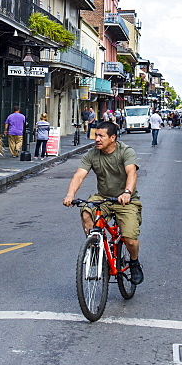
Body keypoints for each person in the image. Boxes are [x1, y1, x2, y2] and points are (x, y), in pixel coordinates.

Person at [62, 121, 143, 284]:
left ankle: (134, 262)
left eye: (101, 136)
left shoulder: (126, 152)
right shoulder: (92, 154)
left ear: (113, 138)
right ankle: (94, 247)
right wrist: (70, 195)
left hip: (126, 200)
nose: (96, 139)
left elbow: (131, 173)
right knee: (86, 211)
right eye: (95, 135)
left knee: (129, 238)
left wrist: (127, 192)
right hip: (103, 197)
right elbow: (79, 175)